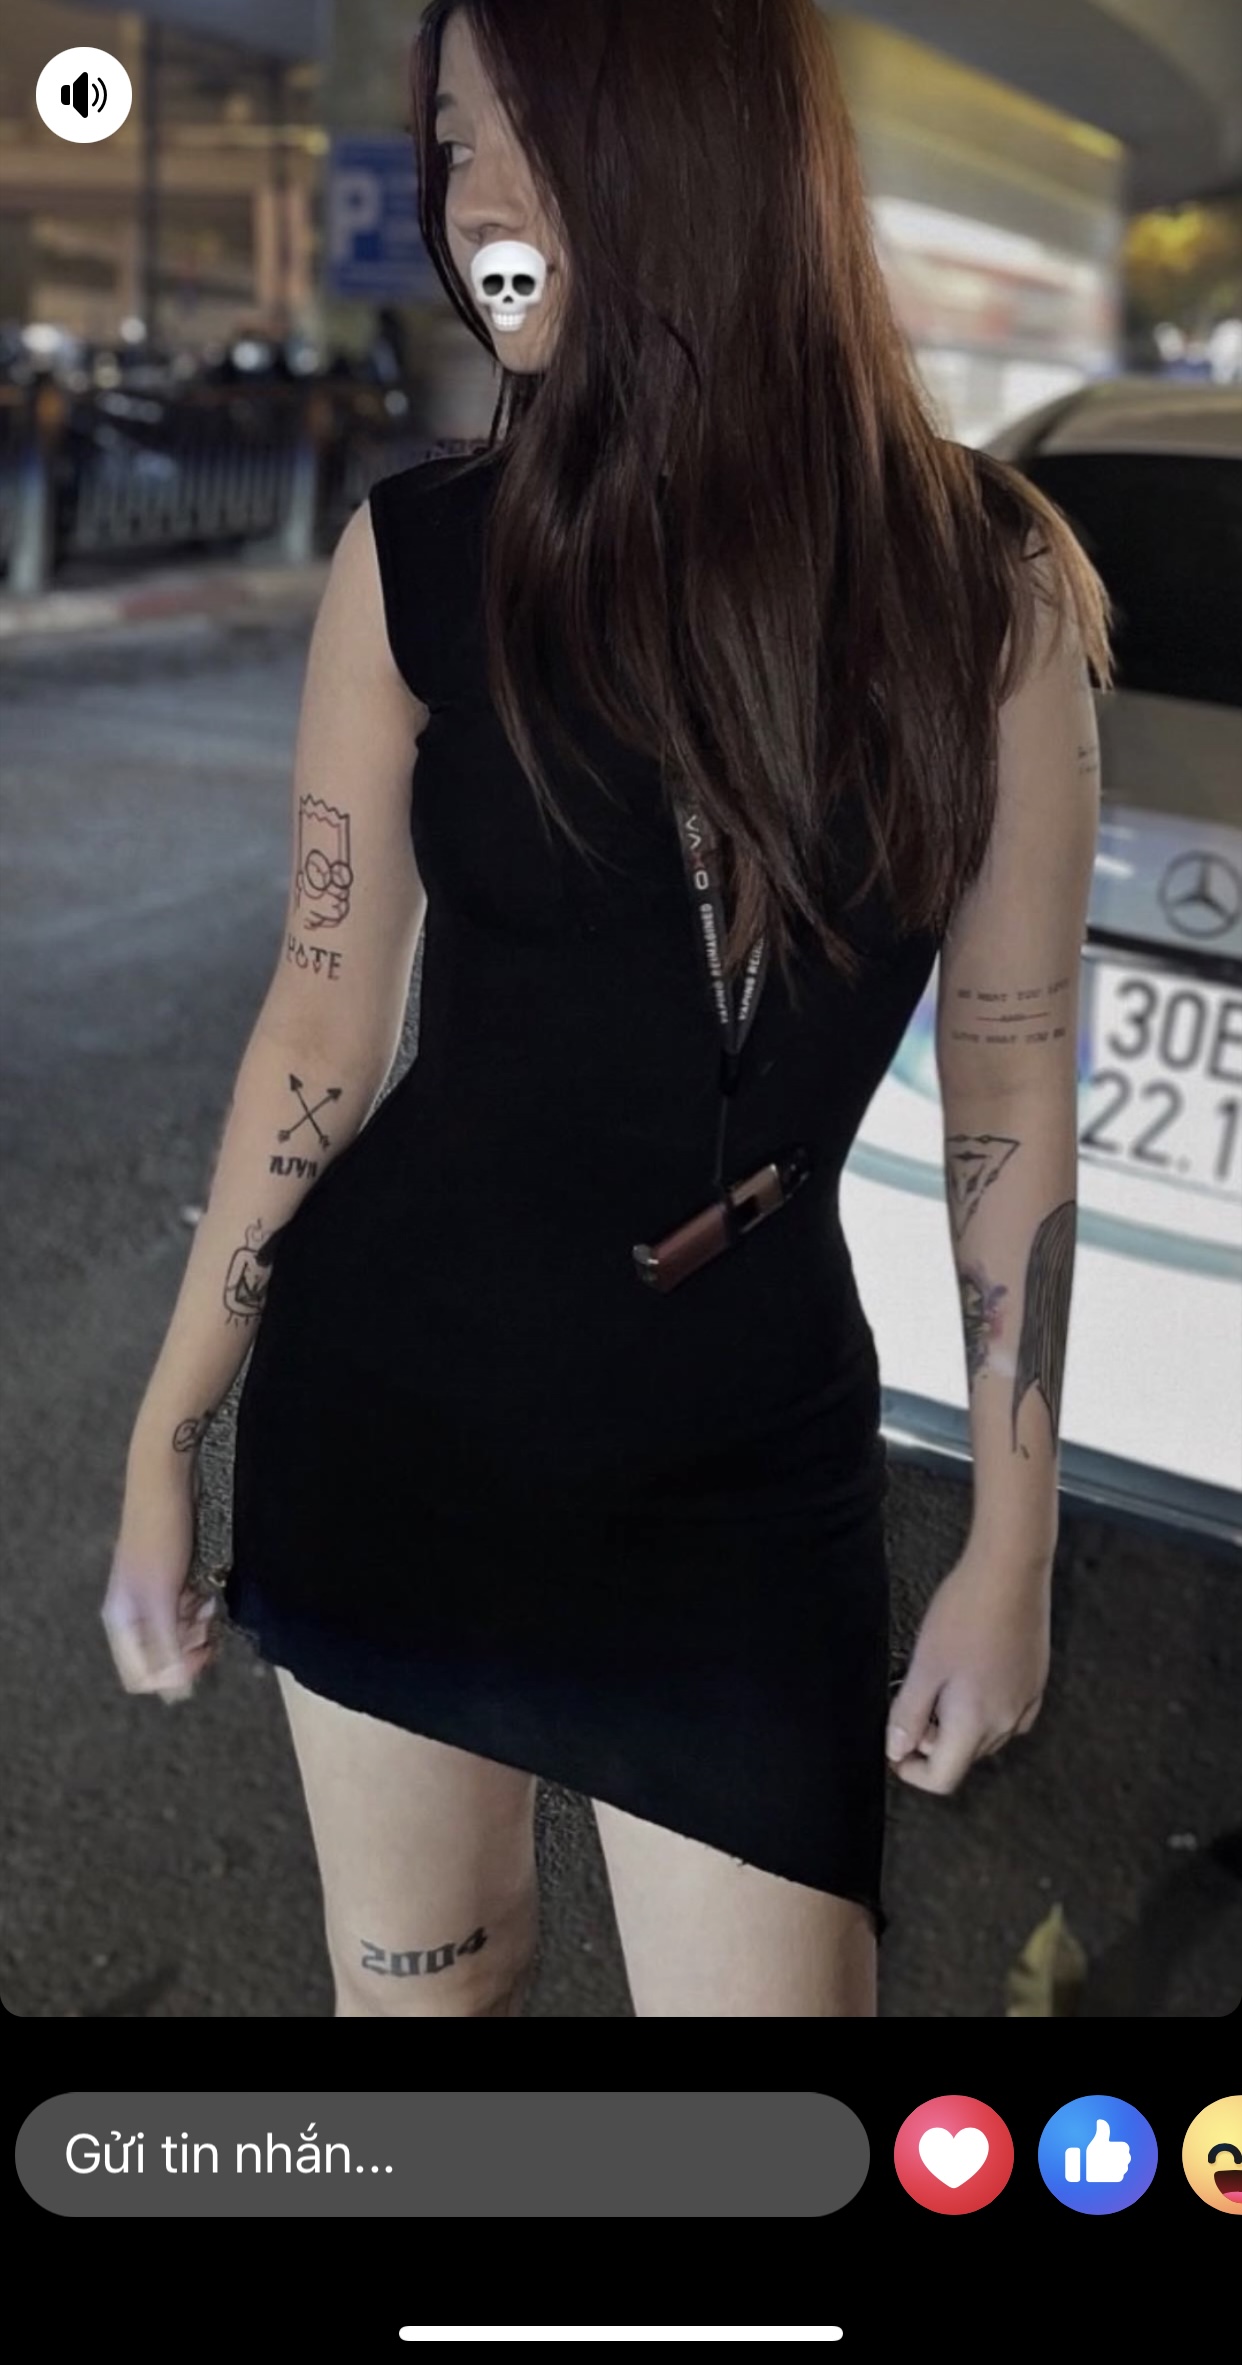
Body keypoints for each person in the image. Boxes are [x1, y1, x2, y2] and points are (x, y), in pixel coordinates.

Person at [101, 0, 1111, 2019]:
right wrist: (166, 1425)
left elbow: (1008, 1073)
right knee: (429, 2003)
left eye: (523, 134)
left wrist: (1017, 1541)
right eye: (450, 139)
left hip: (740, 1481)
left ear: (694, 155)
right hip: (395, 1428)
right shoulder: (418, 559)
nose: (471, 197)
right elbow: (321, 1026)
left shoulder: (987, 585)